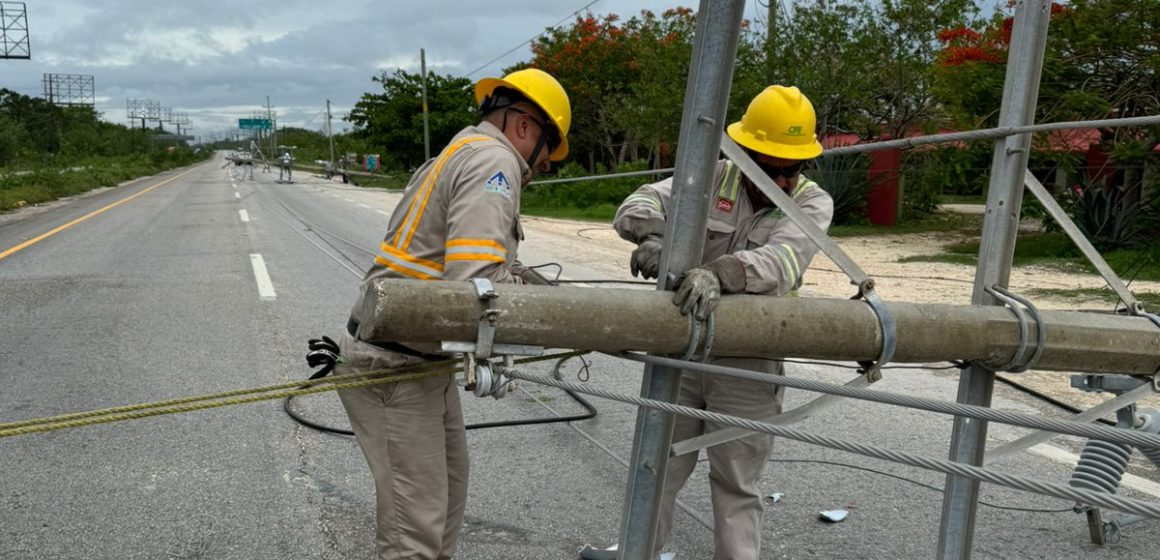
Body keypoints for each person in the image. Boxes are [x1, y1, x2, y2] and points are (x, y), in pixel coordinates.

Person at [321, 68, 570, 560]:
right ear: (525, 126)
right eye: (548, 149)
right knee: (415, 537)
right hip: (393, 367)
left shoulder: (460, 150)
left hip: (418, 361)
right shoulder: (494, 162)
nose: (544, 165)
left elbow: (464, 265)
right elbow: (474, 288)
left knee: (446, 504)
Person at [613, 85, 833, 560]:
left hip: (748, 363)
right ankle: (637, 552)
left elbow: (782, 262)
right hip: (683, 350)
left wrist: (718, 273)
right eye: (769, 166)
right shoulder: (712, 177)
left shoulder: (813, 203)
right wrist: (655, 236)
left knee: (736, 483)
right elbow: (638, 202)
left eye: (791, 168)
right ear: (746, 152)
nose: (782, 178)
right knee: (656, 468)